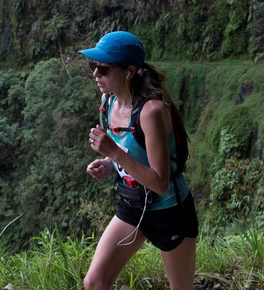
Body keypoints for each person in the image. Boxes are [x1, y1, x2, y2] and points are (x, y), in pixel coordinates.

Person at [79, 31, 197, 290]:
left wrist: (114, 153)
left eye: (103, 68)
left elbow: (160, 182)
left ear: (129, 71)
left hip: (168, 209)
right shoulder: (108, 102)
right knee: (95, 283)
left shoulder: (151, 111)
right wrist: (109, 164)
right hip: (133, 203)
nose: (95, 74)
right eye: (93, 66)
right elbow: (130, 151)